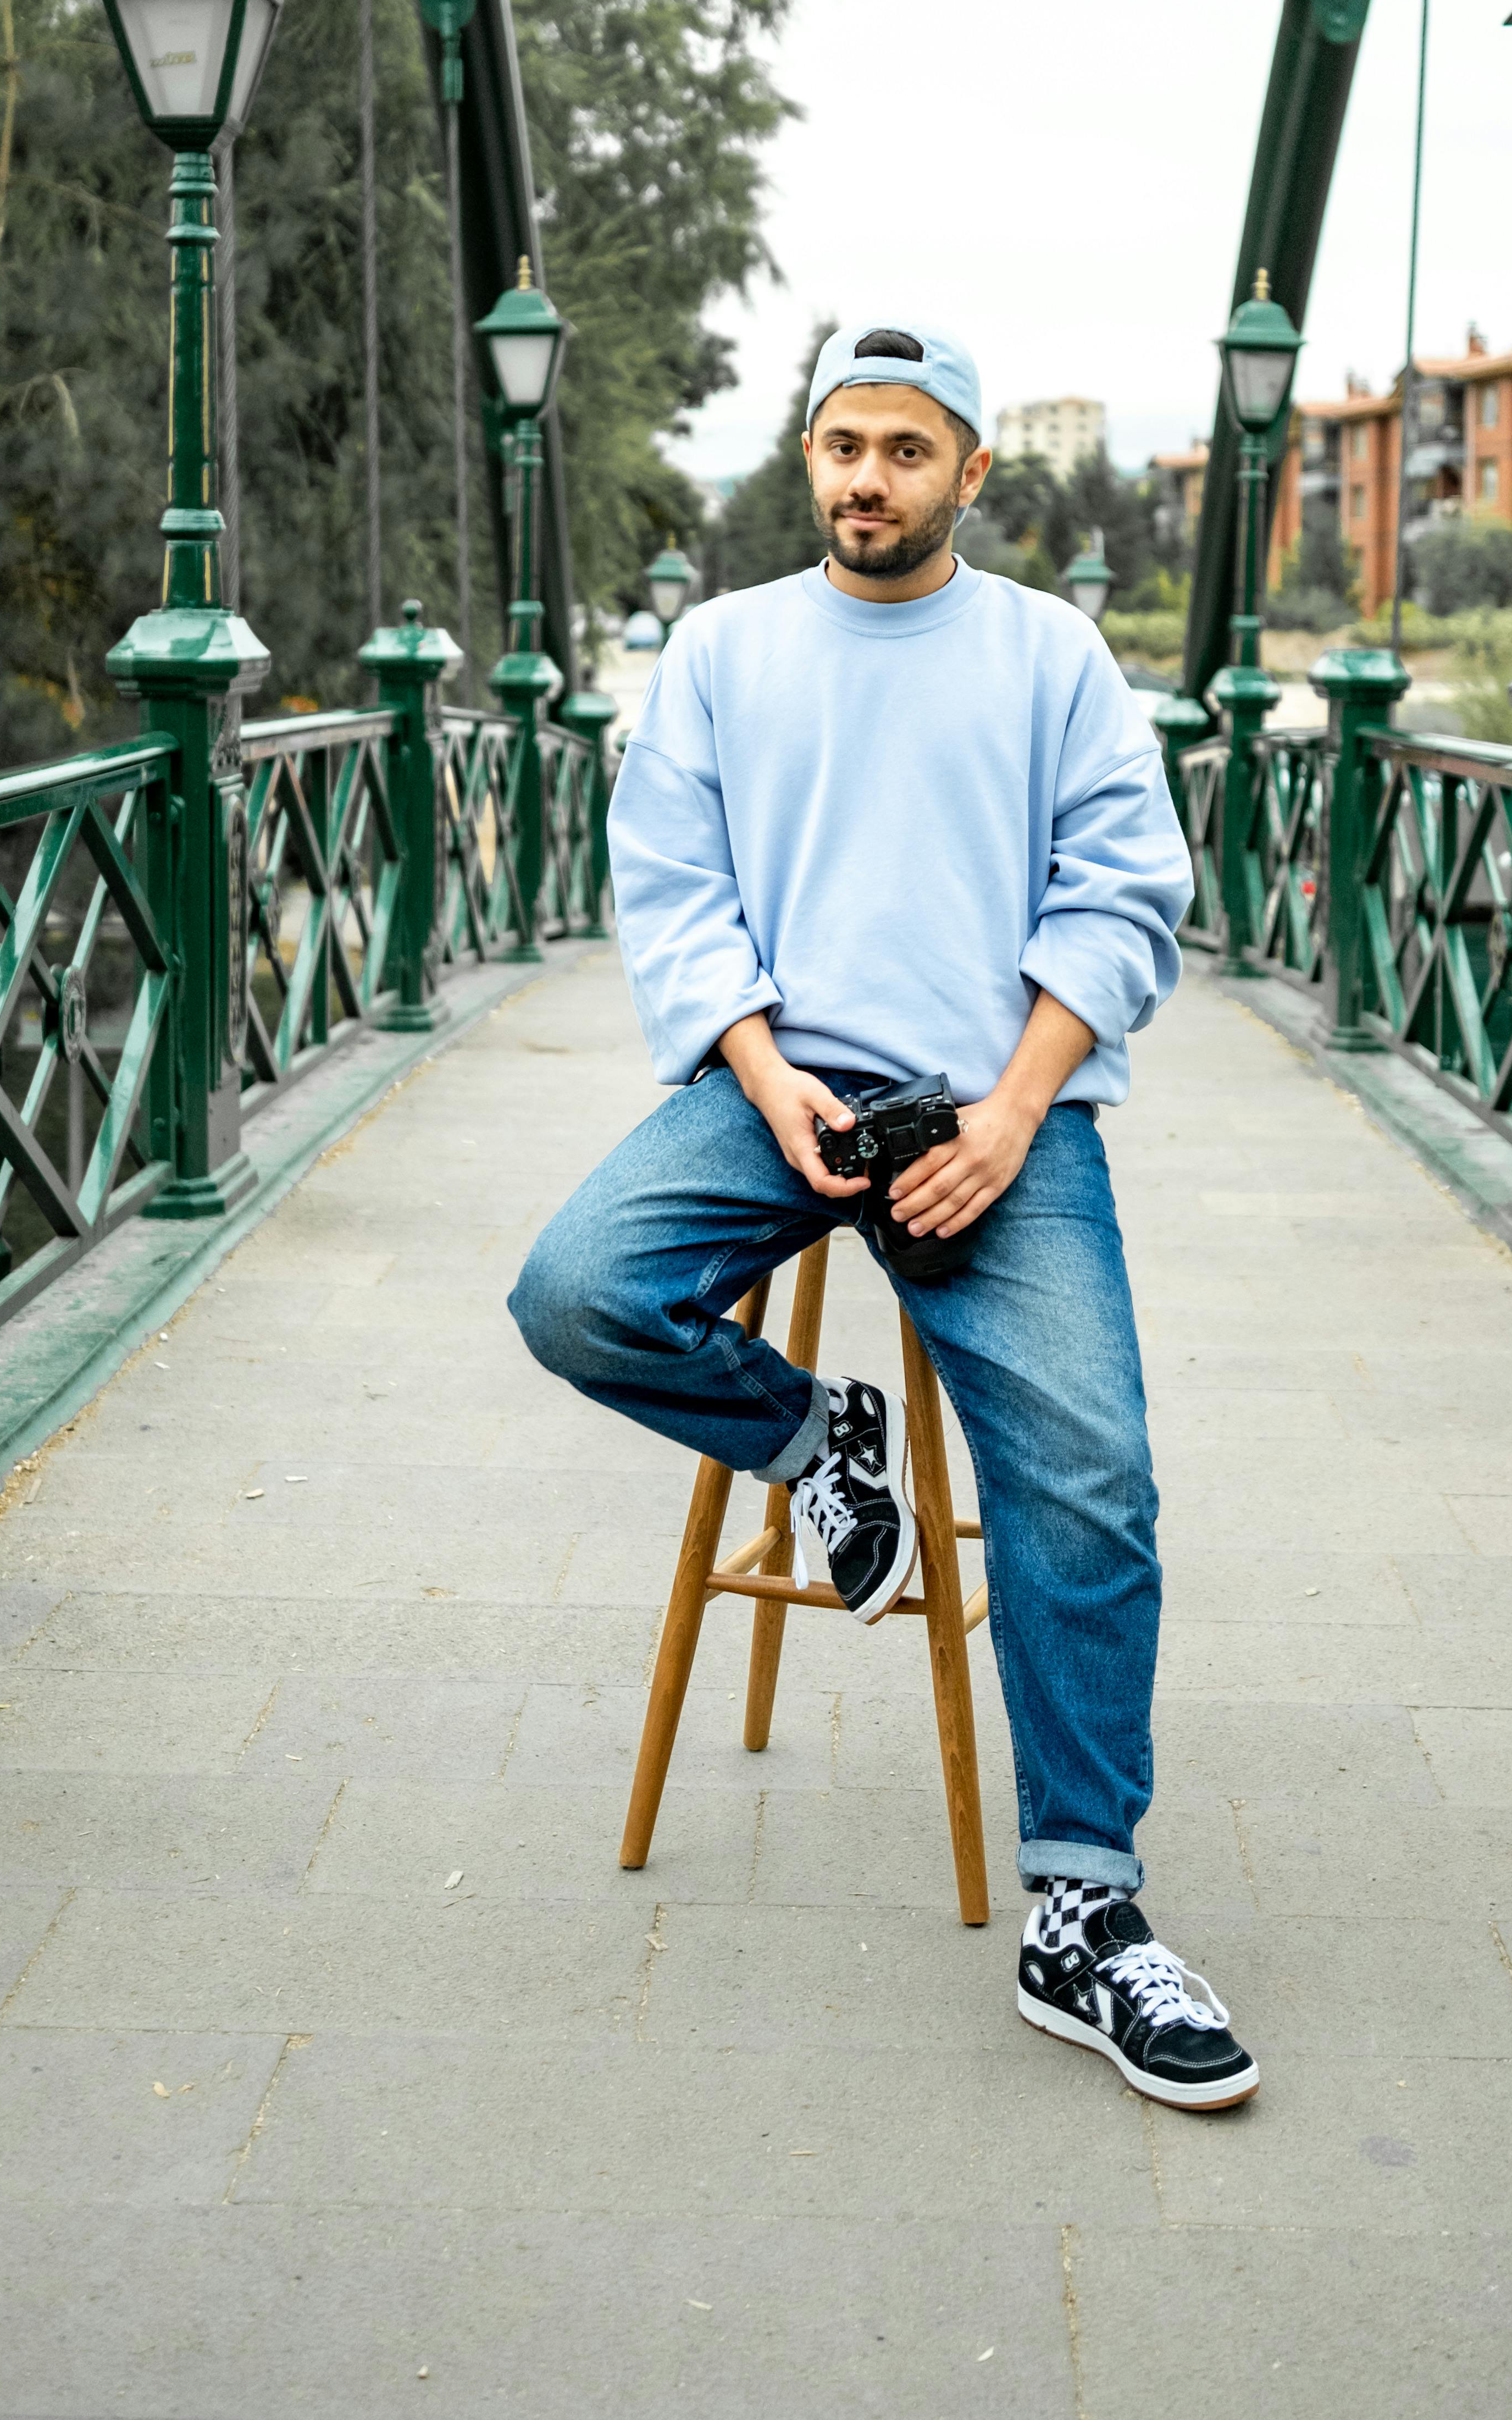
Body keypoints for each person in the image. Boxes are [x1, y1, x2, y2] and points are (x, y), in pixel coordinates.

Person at [509, 318, 1259, 2112]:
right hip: (777, 1092)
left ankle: (1085, 1912)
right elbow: (674, 896)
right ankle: (819, 1442)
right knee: (576, 1287)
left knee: (1091, 1477)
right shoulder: (722, 649)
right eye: (842, 444)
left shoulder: (1051, 655)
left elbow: (1129, 898)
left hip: (994, 1119)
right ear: (810, 458)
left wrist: (1012, 1114)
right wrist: (768, 1085)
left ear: (971, 473)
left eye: (906, 450)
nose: (867, 478)